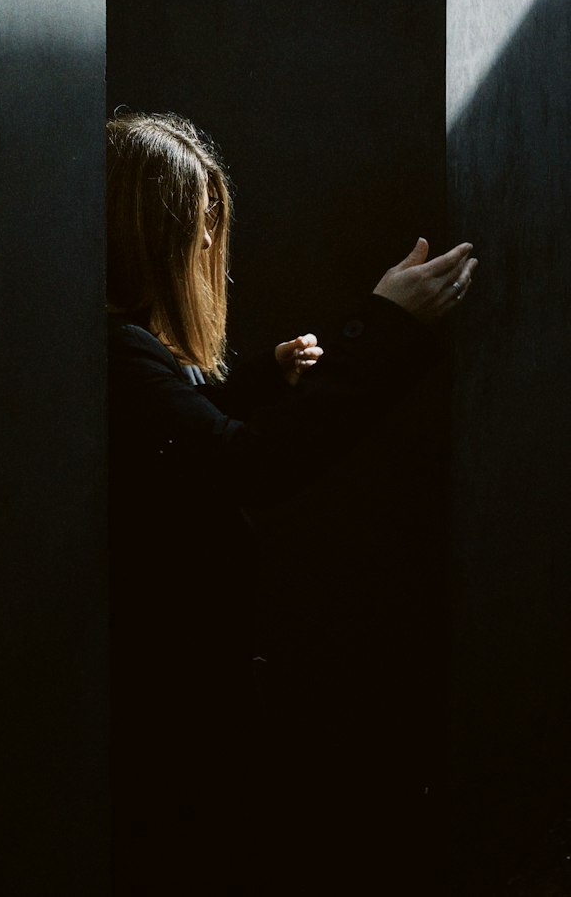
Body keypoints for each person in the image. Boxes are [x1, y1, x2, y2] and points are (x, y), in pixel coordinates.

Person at [106, 111, 476, 895]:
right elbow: (247, 464)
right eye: (200, 226)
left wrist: (266, 380)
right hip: (164, 698)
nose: (209, 248)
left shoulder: (119, 349)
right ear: (148, 232)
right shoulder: (117, 352)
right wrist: (385, 328)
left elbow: (189, 441)